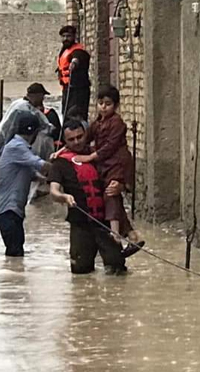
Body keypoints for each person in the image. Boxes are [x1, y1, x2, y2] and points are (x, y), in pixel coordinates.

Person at [49, 119, 127, 275]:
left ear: (85, 135)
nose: (77, 142)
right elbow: (54, 191)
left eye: (80, 137)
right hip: (80, 224)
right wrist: (64, 197)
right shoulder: (59, 163)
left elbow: (119, 176)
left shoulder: (97, 155)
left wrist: (120, 187)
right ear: (65, 141)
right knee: (80, 272)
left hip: (104, 223)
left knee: (117, 269)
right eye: (71, 139)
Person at [73, 85, 144, 257]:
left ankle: (116, 236)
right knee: (111, 196)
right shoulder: (97, 123)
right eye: (100, 103)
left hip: (118, 163)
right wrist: (63, 151)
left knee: (110, 193)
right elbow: (86, 138)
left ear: (116, 106)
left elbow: (110, 146)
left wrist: (90, 157)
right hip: (104, 164)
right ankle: (132, 235)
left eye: (108, 104)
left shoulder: (117, 123)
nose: (103, 107)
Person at [0, 82, 56, 206]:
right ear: (35, 95)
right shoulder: (24, 108)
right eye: (42, 96)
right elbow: (43, 124)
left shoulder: (18, 103)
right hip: (5, 146)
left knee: (0, 176)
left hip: (3, 144)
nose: (43, 100)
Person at [0, 112, 51, 257]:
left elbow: (32, 174)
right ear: (33, 133)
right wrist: (63, 165)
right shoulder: (16, 147)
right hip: (8, 210)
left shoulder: (19, 148)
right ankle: (14, 279)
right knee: (15, 253)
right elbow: (40, 164)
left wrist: (46, 180)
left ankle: (13, 278)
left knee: (16, 255)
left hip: (13, 210)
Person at [57, 25, 90, 121]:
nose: (65, 39)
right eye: (63, 36)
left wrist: (74, 63)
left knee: (76, 115)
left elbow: (78, 57)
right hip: (67, 88)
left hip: (78, 90)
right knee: (66, 114)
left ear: (74, 37)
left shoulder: (78, 50)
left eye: (68, 36)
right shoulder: (64, 50)